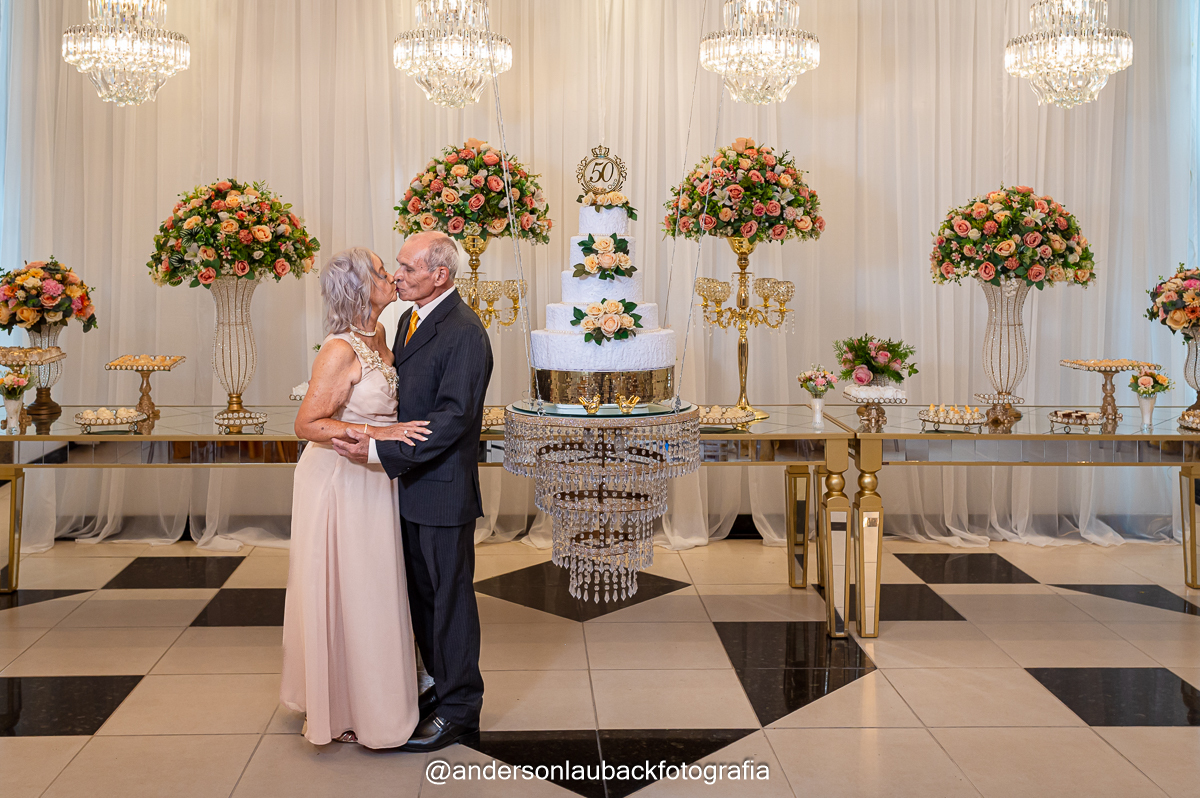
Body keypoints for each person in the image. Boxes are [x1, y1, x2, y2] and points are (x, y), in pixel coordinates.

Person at [333, 230, 493, 753]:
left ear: (439, 275)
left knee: (450, 603)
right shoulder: (407, 320)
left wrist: (382, 452)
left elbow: (452, 418)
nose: (396, 276)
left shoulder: (465, 331)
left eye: (406, 268)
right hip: (408, 489)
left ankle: (461, 710)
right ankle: (439, 690)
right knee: (422, 601)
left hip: (442, 492)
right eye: (396, 268)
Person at [281, 246, 430, 749]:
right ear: (361, 288)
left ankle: (377, 697)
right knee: (349, 586)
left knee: (374, 587)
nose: (394, 277)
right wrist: (379, 432)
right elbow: (307, 424)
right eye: (383, 273)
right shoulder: (340, 349)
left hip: (374, 475)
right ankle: (342, 706)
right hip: (339, 480)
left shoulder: (382, 335)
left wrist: (385, 439)